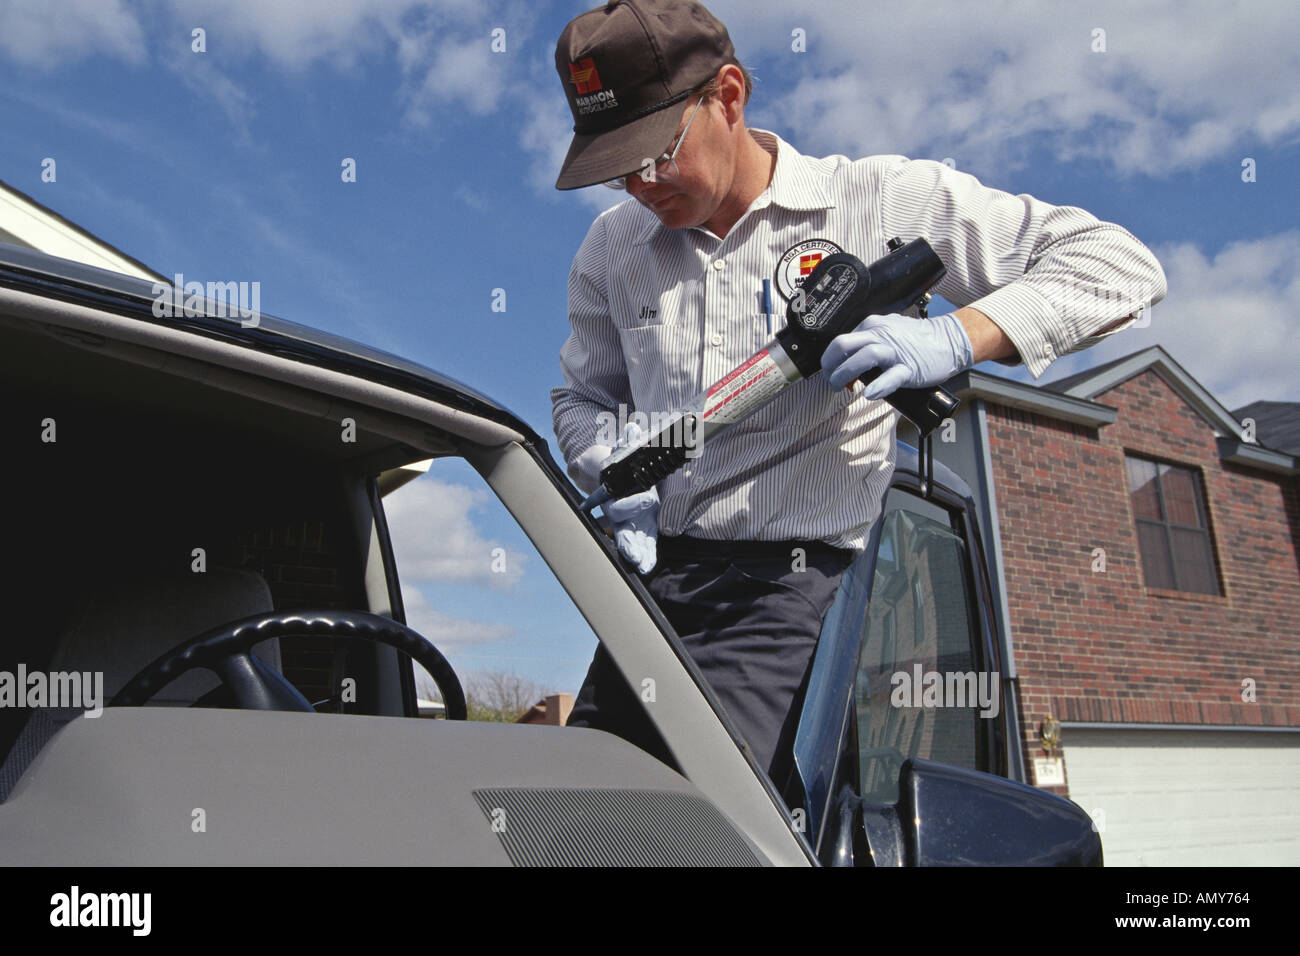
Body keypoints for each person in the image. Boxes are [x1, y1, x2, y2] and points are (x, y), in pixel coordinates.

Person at [549, 0, 1166, 789]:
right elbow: (580, 400)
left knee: (697, 824)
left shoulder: (878, 202)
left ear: (728, 96)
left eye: (657, 151)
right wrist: (612, 467)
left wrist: (955, 337)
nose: (640, 183)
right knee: (572, 810)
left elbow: (1119, 266)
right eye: (618, 163)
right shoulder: (613, 249)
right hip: (652, 585)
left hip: (785, 592)